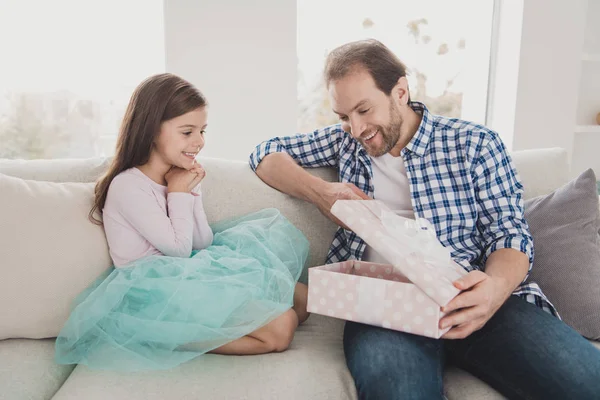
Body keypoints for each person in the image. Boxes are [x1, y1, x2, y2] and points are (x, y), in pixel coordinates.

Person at [249, 39, 600, 399]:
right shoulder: (345, 142)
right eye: (344, 116)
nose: (355, 128)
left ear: (400, 91)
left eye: (364, 110)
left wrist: (493, 290)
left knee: (587, 383)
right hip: (385, 308)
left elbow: (509, 234)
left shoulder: (475, 143)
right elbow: (264, 154)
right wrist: (321, 194)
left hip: (473, 297)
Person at [55, 73, 310, 371]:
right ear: (151, 130)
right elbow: (177, 249)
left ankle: (197, 328)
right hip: (151, 289)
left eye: (202, 131)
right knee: (281, 328)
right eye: (187, 132)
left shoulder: (180, 173)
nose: (199, 142)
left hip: (187, 270)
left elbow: (202, 242)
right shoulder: (128, 187)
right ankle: (166, 337)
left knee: (303, 302)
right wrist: (178, 193)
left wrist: (190, 191)